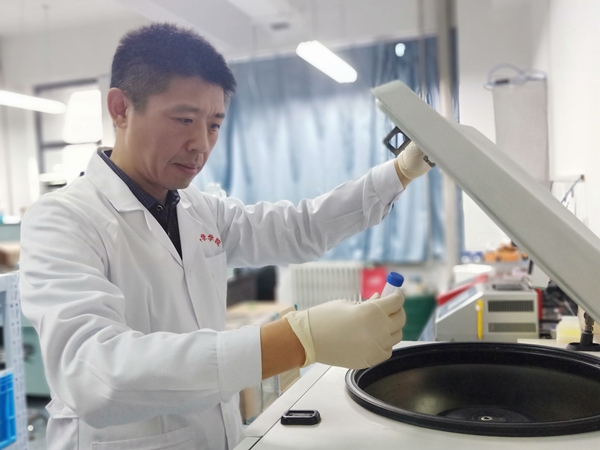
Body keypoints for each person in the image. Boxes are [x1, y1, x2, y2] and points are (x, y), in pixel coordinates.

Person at [19, 23, 433, 450]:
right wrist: (295, 341)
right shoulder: (62, 220)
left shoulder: (198, 209)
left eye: (214, 124)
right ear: (121, 108)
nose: (200, 144)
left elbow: (300, 228)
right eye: (184, 119)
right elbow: (94, 374)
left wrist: (399, 173)